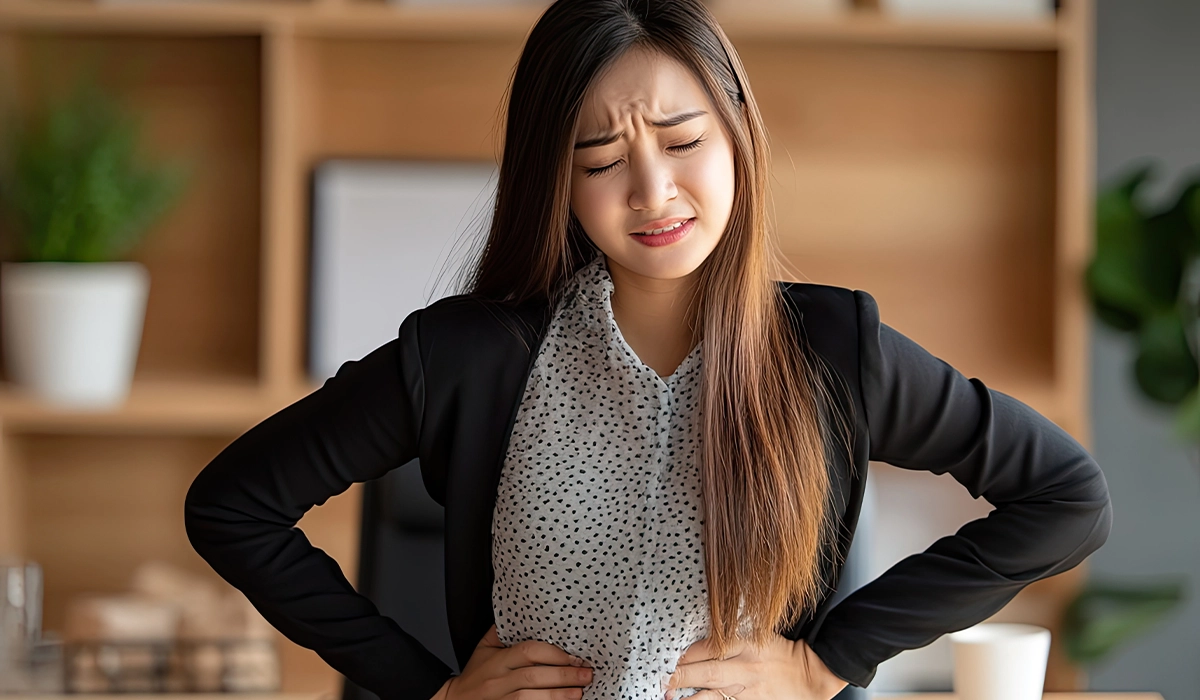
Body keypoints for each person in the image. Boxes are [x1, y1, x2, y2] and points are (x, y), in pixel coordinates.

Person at [183, 0, 1113, 699]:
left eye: (682, 140)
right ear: (558, 182)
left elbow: (1066, 497)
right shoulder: (471, 355)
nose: (652, 191)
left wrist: (831, 661)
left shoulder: (833, 349)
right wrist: (426, 687)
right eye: (600, 161)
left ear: (738, 136)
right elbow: (233, 507)